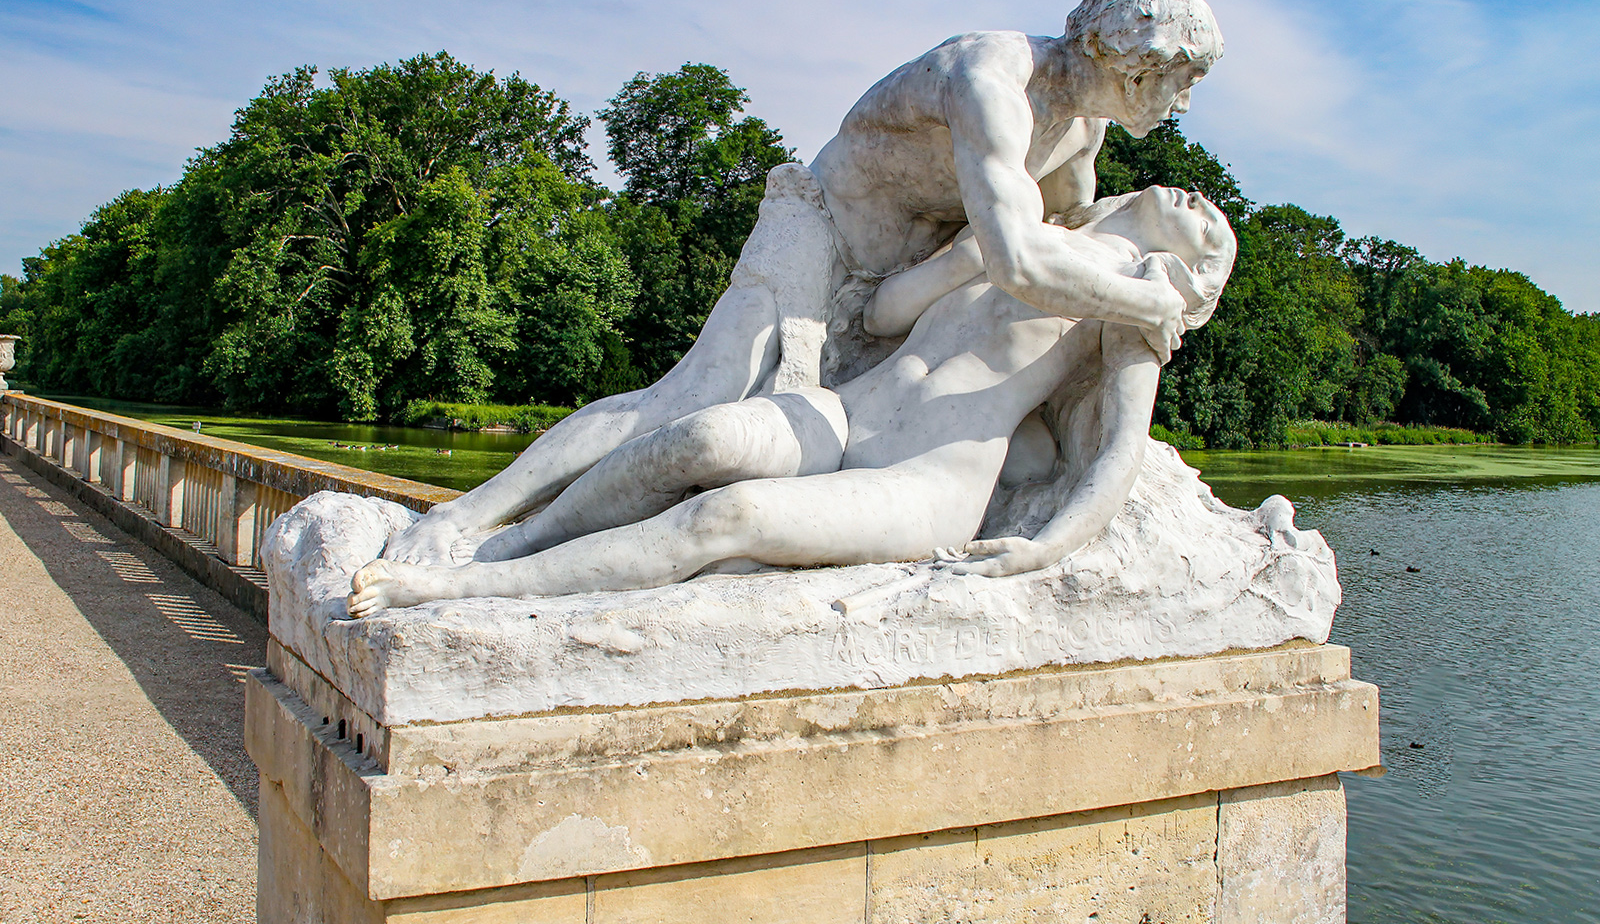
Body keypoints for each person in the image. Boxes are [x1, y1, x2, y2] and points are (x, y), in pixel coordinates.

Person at [379, 0, 1224, 567]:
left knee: (752, 444)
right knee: (695, 393)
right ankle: (471, 518)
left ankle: (628, 554)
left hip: (907, 283)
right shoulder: (992, 76)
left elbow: (1069, 237)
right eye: (1181, 80)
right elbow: (1017, 256)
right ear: (1136, 60)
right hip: (824, 232)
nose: (1182, 103)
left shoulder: (1083, 135)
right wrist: (1151, 301)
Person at [348, 185, 1235, 613]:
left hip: (928, 477)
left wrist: (1039, 552)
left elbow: (1118, 451)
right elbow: (887, 311)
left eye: (1214, 226)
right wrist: (970, 257)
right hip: (852, 411)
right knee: (693, 440)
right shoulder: (1026, 237)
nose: (1203, 203)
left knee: (724, 518)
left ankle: (455, 596)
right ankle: (508, 553)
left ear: (1198, 273)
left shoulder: (1142, 302)